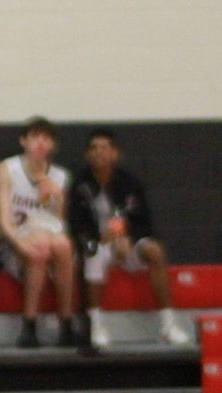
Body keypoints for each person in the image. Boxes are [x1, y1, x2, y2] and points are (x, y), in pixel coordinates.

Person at [70, 128, 190, 348]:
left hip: (127, 244)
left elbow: (145, 222)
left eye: (104, 148)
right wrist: (98, 238)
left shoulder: (130, 182)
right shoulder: (79, 183)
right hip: (97, 244)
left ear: (116, 153)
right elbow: (75, 225)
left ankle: (168, 324)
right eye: (93, 149)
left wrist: (129, 238)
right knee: (92, 253)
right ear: (87, 155)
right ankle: (96, 325)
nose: (99, 153)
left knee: (156, 250)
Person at [0, 117, 77, 348]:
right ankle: (29, 325)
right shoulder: (7, 168)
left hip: (53, 239)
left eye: (47, 138)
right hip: (18, 240)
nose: (41, 142)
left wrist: (57, 195)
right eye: (35, 137)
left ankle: (66, 323)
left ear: (53, 145)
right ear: (23, 141)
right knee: (40, 245)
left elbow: (62, 221)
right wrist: (20, 245)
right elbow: (3, 220)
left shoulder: (60, 176)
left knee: (62, 245)